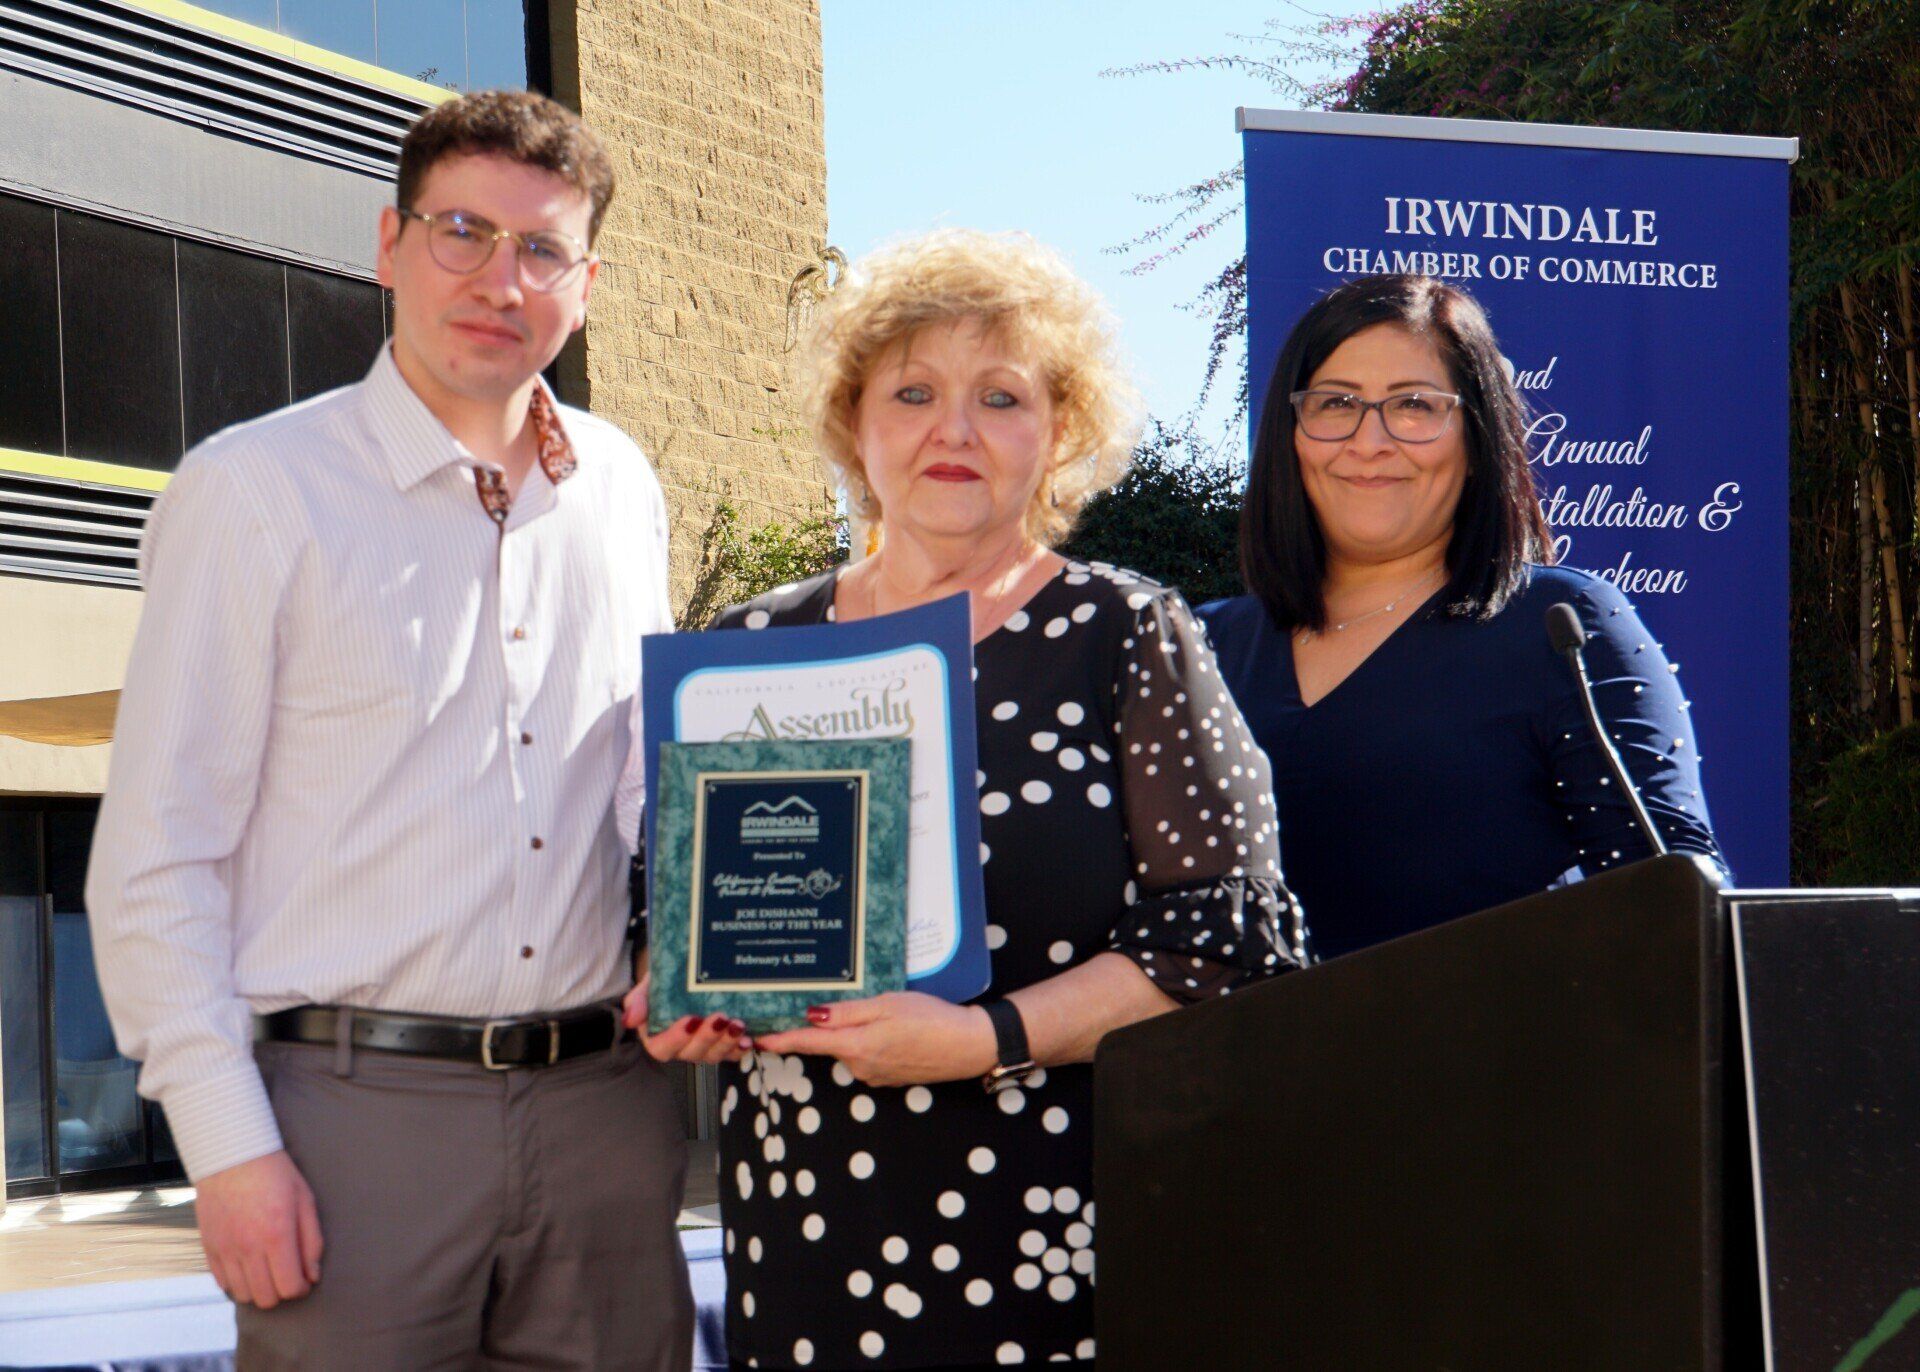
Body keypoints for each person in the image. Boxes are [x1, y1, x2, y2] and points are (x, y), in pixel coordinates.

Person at [626, 229, 1310, 1369]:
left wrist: (983, 1037)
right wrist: (678, 996)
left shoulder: (1124, 633)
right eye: (913, 392)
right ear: (854, 425)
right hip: (805, 1227)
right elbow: (676, 907)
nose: (954, 429)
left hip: (1056, 1223)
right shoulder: (749, 648)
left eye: (1000, 396)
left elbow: (1226, 940)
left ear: (1060, 433)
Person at [85, 91, 691, 1369]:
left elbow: (649, 788)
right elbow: (156, 851)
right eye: (460, 230)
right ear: (388, 244)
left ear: (586, 283)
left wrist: (699, 945)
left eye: (541, 249)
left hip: (607, 1116)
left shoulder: (625, 488)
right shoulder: (253, 491)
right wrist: (228, 1146)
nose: (497, 277)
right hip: (350, 1126)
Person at [1198, 273, 1726, 961]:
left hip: (1504, 1060)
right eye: (1335, 404)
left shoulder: (1561, 626)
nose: (1370, 440)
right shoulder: (1201, 645)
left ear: (1477, 437)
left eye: (1414, 406)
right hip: (1240, 1062)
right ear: (1290, 434)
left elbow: (1677, 907)